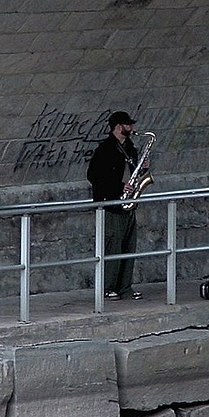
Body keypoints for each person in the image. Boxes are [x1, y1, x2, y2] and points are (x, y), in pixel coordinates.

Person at [86, 110, 142, 300]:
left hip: (129, 202)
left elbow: (132, 171)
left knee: (129, 246)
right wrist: (119, 186)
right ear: (119, 126)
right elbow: (94, 176)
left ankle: (125, 286)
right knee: (113, 246)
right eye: (128, 125)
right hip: (112, 204)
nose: (132, 128)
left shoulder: (130, 148)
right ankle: (108, 287)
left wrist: (142, 169)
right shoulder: (105, 149)